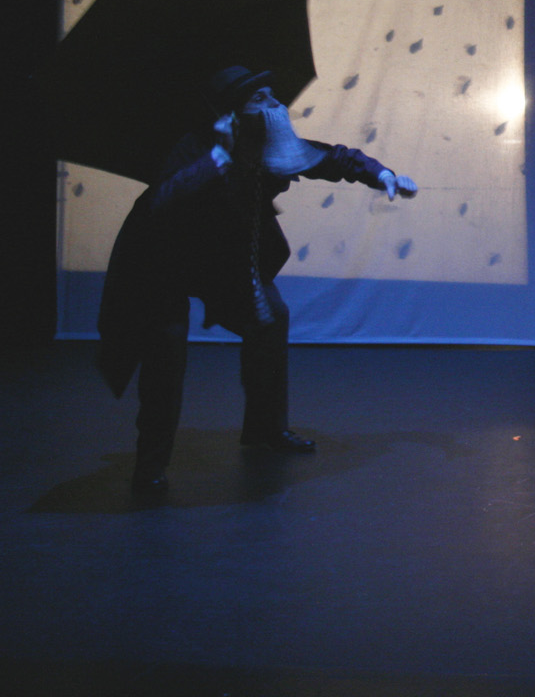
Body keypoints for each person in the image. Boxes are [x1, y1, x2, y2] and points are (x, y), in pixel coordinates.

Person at [97, 65, 417, 494]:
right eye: (260, 99)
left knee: (272, 317)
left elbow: (330, 157)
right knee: (166, 352)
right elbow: (165, 197)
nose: (275, 104)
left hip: (219, 261)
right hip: (160, 263)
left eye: (272, 94)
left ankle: (266, 428)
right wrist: (219, 156)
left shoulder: (268, 144)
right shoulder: (195, 144)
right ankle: (150, 465)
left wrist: (383, 175)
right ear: (232, 112)